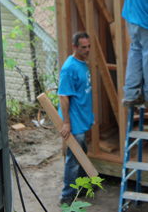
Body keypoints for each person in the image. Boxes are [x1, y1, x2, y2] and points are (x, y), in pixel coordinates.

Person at [57, 31, 94, 204]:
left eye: (88, 46)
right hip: (74, 122)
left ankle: (84, 185)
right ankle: (67, 196)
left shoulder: (82, 61)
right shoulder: (69, 68)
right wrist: (66, 123)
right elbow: (63, 96)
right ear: (74, 47)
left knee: (82, 153)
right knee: (73, 160)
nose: (87, 50)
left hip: (82, 118)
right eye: (83, 47)